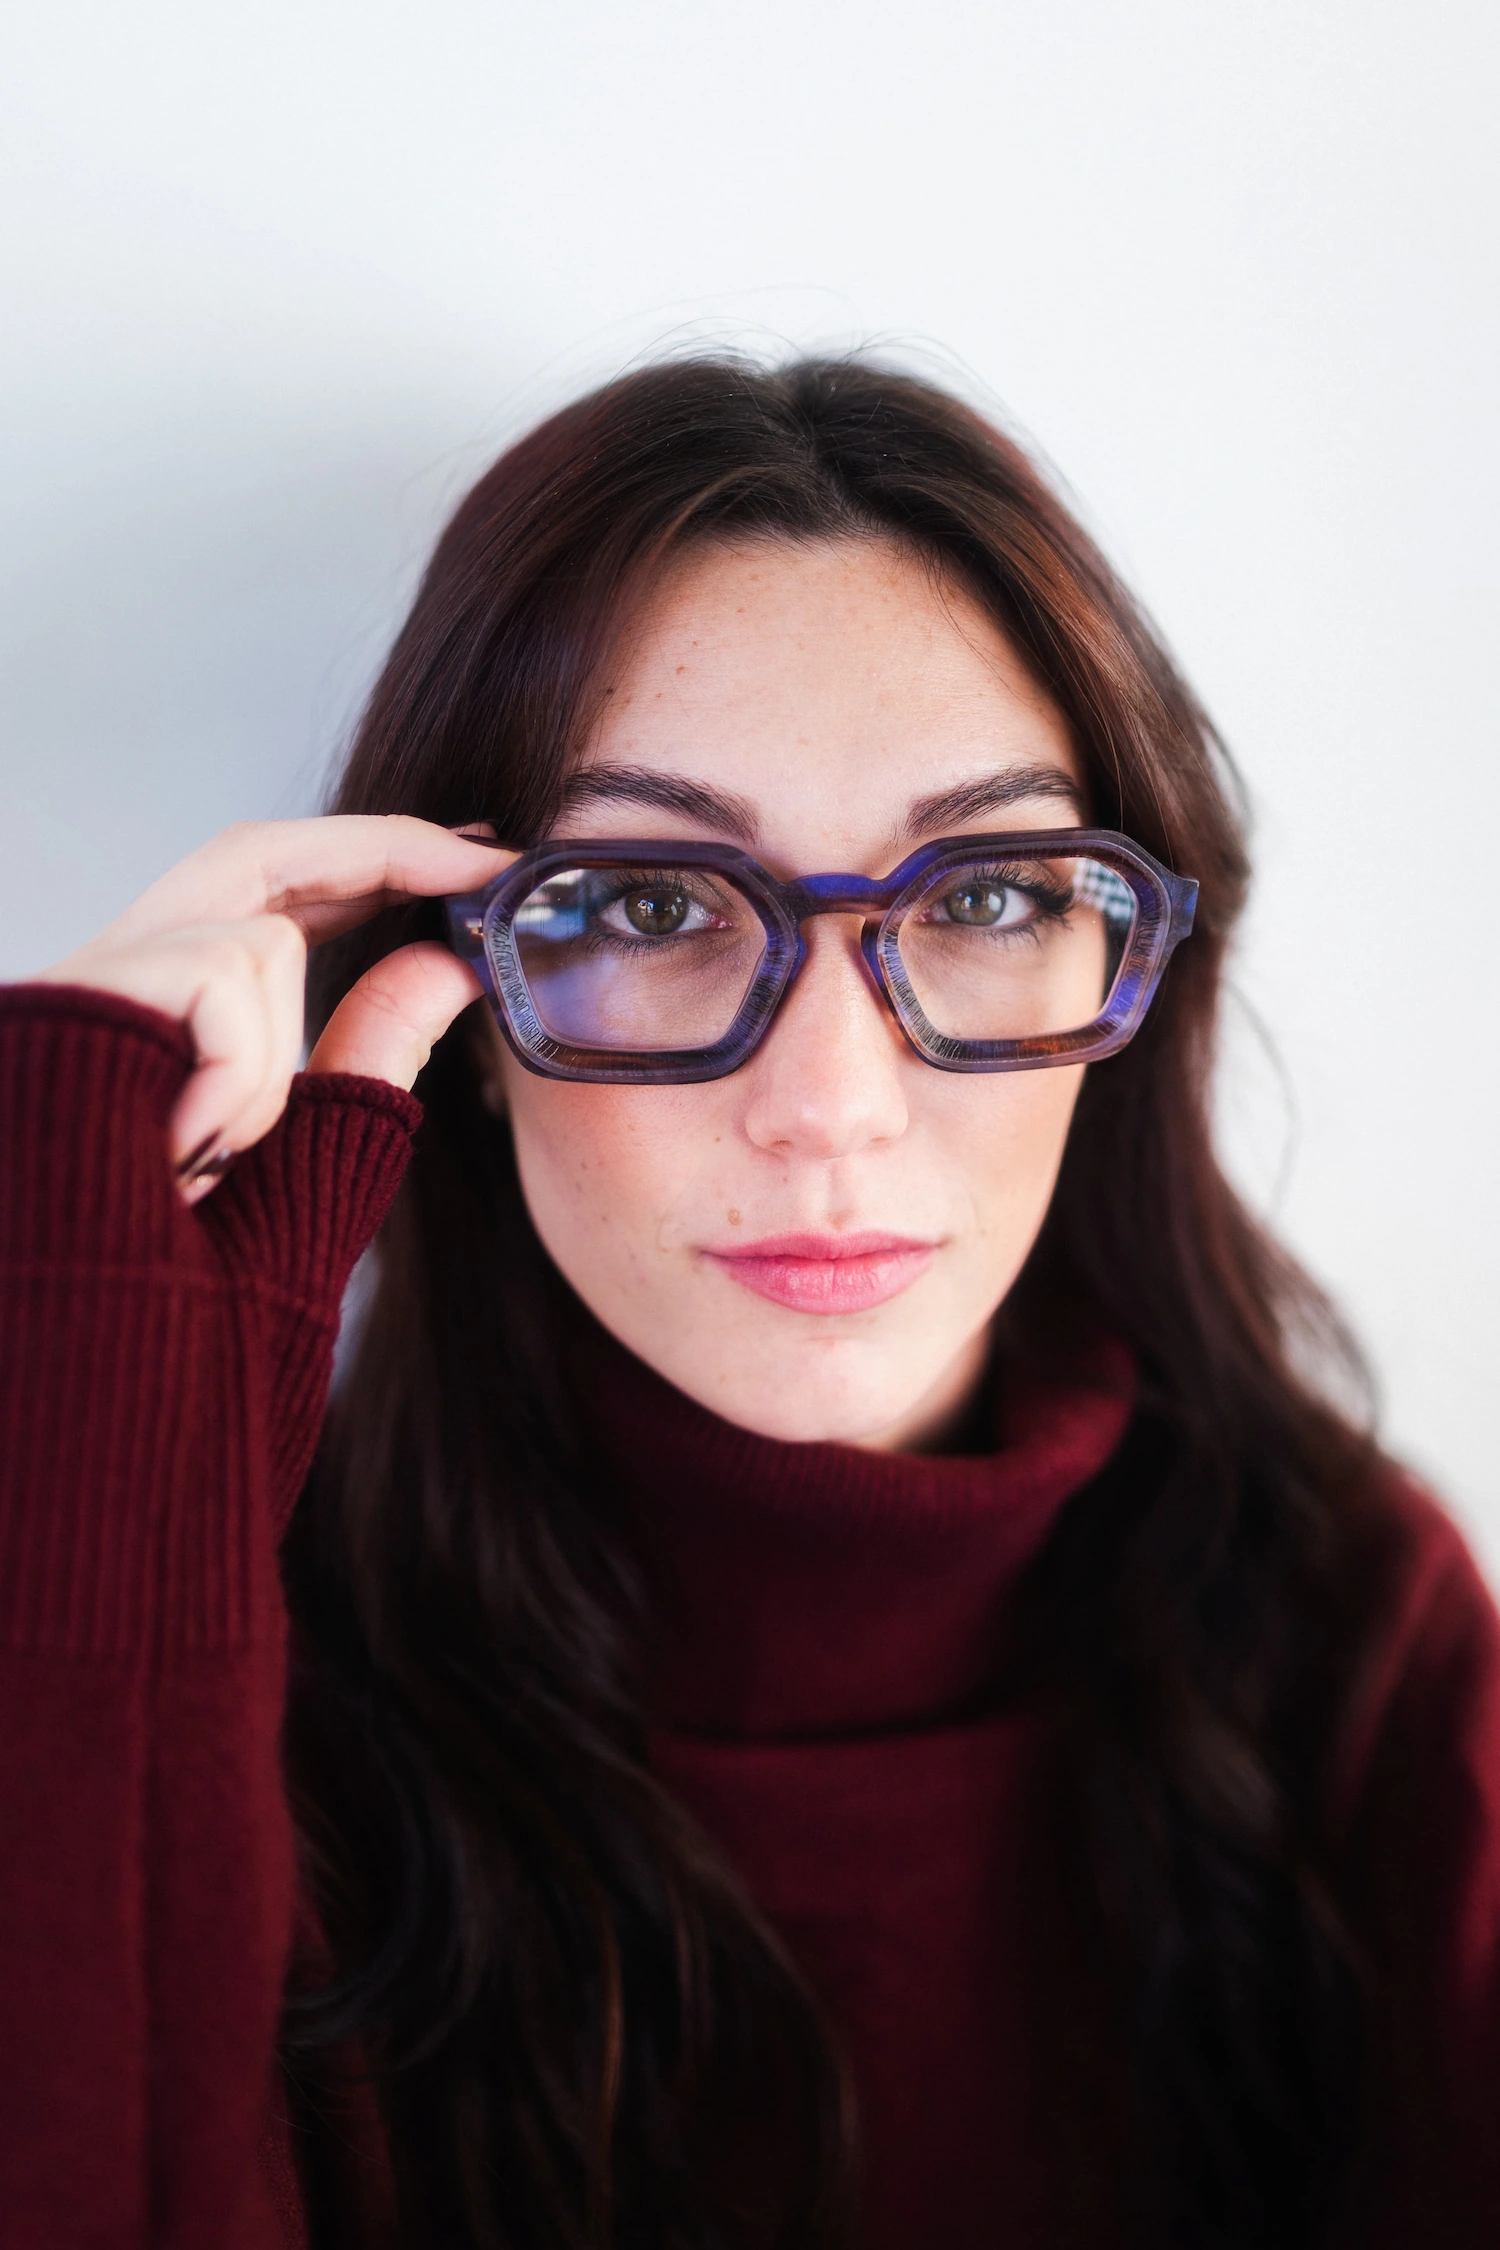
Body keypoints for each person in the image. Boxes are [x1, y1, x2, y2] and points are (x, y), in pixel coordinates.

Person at [1, 357, 1496, 2250]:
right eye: (647, 906)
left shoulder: (1360, 1643)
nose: (832, 1106)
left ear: (1124, 972)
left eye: (991, 894)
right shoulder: (209, 1669)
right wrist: (76, 1354)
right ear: (457, 1007)